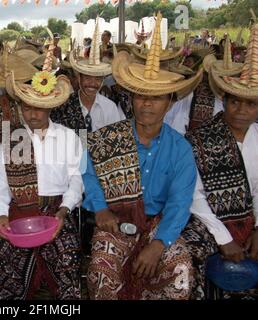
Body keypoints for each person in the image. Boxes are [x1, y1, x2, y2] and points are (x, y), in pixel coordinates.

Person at [82, 12, 203, 300]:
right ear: (131, 98)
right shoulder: (108, 139)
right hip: (115, 220)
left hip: (158, 223)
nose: (147, 103)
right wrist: (100, 209)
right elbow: (88, 172)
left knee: (180, 271)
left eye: (157, 96)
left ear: (170, 102)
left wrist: (159, 243)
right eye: (140, 95)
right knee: (100, 272)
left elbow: (180, 202)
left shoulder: (180, 149)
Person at [0, 40, 82, 299]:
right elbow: (2, 185)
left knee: (67, 257)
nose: (33, 114)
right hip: (19, 211)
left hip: (56, 210)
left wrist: (64, 211)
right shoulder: (9, 138)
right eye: (27, 107)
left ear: (50, 106)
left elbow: (76, 180)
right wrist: (0, 215)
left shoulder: (69, 136)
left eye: (39, 107)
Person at [182, 22, 258, 300]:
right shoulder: (199, 139)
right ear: (223, 101)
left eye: (251, 104)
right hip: (206, 219)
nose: (241, 110)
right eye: (235, 102)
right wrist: (223, 236)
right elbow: (194, 195)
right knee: (182, 250)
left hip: (249, 218)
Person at [51, 17, 125, 135]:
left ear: (102, 81)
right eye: (87, 77)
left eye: (97, 79)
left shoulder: (110, 108)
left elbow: (115, 142)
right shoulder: (64, 105)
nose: (92, 83)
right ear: (79, 78)